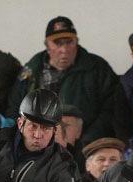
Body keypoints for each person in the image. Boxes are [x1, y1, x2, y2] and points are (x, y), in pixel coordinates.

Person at [6, 16, 117, 145]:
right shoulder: (31, 71)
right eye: (58, 43)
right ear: (47, 45)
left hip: (84, 145)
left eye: (69, 42)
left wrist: (87, 139)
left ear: (77, 42)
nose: (64, 49)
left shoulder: (97, 68)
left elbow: (111, 109)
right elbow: (14, 109)